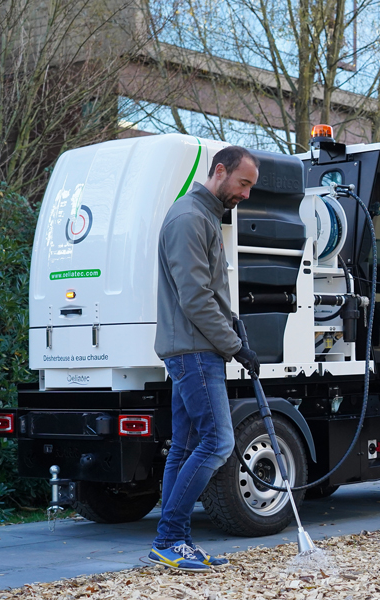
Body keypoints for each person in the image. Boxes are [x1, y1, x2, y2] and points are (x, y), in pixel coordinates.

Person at [149, 146, 261, 572]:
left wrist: (232, 322)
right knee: (218, 442)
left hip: (194, 348)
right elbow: (193, 298)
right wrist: (236, 347)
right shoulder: (189, 218)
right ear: (220, 171)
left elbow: (206, 292)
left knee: (185, 447)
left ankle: (176, 542)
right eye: (243, 183)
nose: (246, 194)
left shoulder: (204, 217)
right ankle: (169, 538)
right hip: (195, 351)